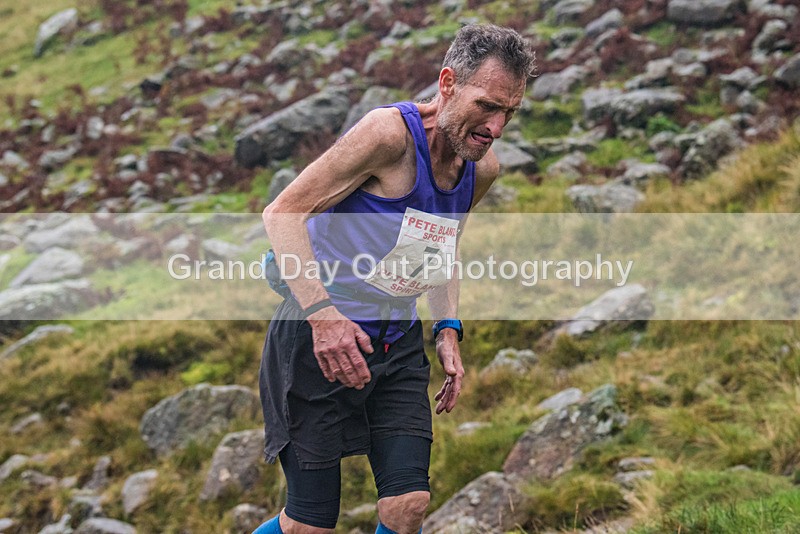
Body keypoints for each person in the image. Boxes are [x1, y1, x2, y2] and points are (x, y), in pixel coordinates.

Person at [254, 23, 535, 534]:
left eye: (509, 113)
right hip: (317, 336)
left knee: (407, 506)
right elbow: (283, 213)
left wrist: (447, 327)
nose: (495, 127)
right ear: (448, 83)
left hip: (395, 340)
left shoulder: (483, 167)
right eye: (487, 106)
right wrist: (324, 319)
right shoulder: (388, 136)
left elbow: (442, 243)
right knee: (309, 525)